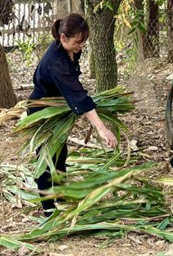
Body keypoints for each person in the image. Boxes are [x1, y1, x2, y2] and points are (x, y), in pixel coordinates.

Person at [29, 13, 117, 215]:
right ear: (63, 38)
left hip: (58, 108)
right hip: (42, 111)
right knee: (46, 156)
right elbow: (78, 96)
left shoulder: (69, 50)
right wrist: (101, 128)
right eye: (78, 41)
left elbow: (74, 89)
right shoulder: (57, 62)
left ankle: (59, 194)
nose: (81, 46)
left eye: (84, 41)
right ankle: (48, 208)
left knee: (60, 153)